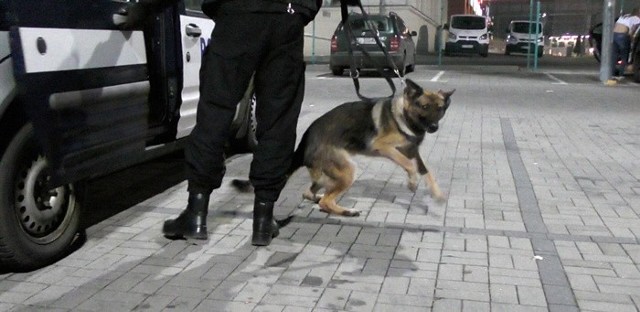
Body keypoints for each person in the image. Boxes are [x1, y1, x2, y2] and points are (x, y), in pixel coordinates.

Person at [123, 0, 322, 246]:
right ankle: (263, 218)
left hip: (236, 16)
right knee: (278, 121)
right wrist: (302, 11)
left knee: (215, 112)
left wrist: (144, 9)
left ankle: (196, 212)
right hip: (286, 18)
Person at [612, 7, 640, 77]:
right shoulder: (637, 19)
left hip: (614, 35)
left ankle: (611, 73)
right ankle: (621, 74)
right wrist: (632, 41)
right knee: (624, 56)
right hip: (623, 35)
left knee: (614, 56)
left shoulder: (624, 16)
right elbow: (631, 32)